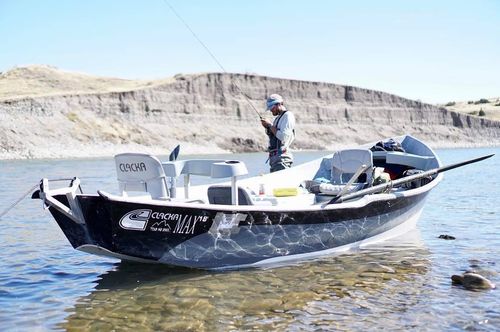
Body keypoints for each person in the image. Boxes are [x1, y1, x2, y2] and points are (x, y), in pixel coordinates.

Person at [260, 94, 296, 172]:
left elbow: (283, 137)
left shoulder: (288, 116)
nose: (270, 110)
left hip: (281, 159)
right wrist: (267, 127)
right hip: (275, 160)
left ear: (279, 104)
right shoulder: (278, 118)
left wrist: (269, 124)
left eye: (272, 107)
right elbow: (275, 135)